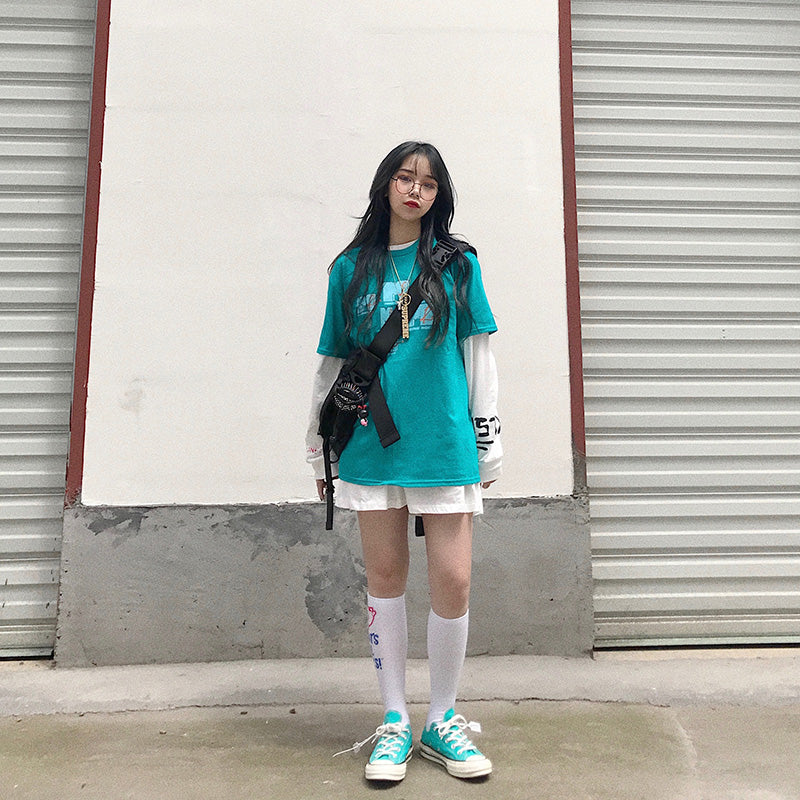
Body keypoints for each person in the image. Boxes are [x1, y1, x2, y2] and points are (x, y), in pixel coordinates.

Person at [305, 141, 502, 782]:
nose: (415, 190)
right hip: (371, 444)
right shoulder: (350, 269)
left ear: (439, 195)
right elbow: (334, 364)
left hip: (444, 442)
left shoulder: (457, 264)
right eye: (404, 177)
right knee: (385, 579)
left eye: (428, 183)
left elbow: (478, 355)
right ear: (385, 185)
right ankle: (394, 720)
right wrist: (318, 447)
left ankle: (442, 718)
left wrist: (487, 440)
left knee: (454, 580)